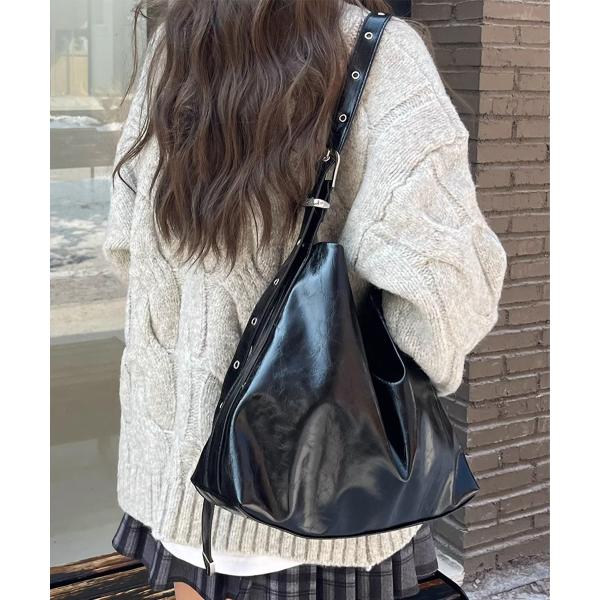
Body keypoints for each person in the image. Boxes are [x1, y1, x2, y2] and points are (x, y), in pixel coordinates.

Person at [105, 1, 507, 599]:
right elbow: (442, 296)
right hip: (323, 504)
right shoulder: (379, 53)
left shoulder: (175, 50)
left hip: (179, 493)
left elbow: (127, 248)